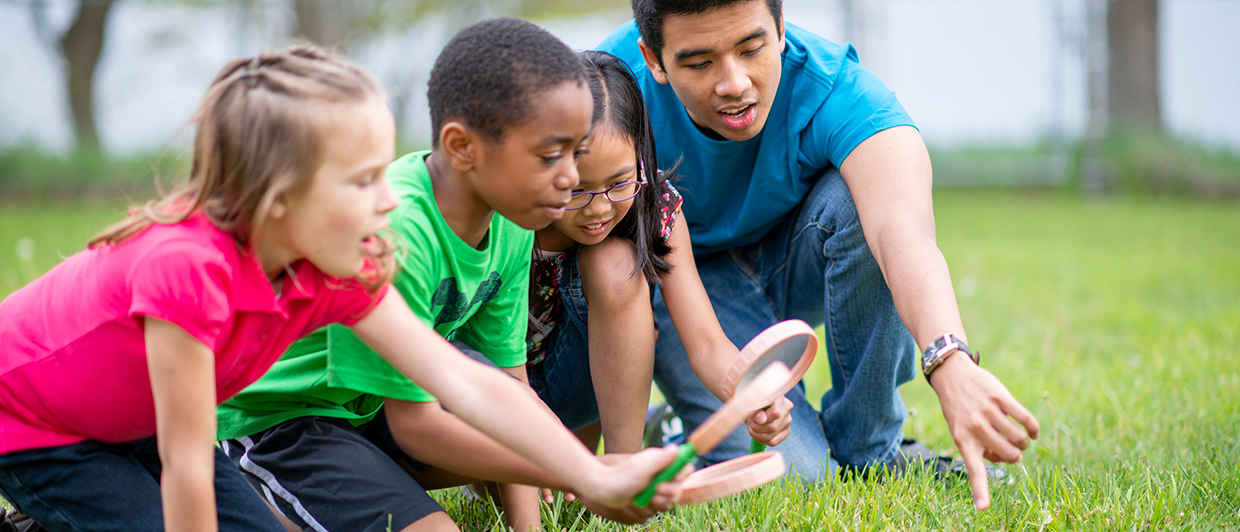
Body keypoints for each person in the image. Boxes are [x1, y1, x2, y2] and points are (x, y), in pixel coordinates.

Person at [0, 43, 680, 532]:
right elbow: (185, 460)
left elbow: (464, 381)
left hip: (143, 422)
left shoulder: (336, 264)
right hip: (35, 425)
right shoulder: (189, 271)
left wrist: (589, 475)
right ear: (281, 200)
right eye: (362, 182)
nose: (388, 200)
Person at [215, 21, 679, 532]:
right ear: (463, 148)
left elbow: (509, 388)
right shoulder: (399, 233)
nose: (570, 179)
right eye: (551, 156)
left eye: (574, 153)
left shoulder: (513, 217)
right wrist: (582, 472)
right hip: (287, 422)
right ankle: (263, 496)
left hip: (374, 409)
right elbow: (418, 427)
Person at [597, 0, 1041, 509]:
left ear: (781, 28)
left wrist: (950, 361)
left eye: (752, 48)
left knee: (865, 198)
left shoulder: (838, 91)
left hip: (794, 260)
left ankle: (871, 449)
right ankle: (679, 431)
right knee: (799, 478)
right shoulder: (605, 94)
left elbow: (905, 236)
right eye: (700, 63)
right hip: (686, 289)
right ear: (653, 59)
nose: (735, 82)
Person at [524, 50, 792, 456]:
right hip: (500, 393)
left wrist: (749, 392)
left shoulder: (655, 208)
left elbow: (706, 343)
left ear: (641, 158)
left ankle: (625, 463)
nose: (598, 209)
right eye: (576, 190)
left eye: (619, 182)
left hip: (577, 388)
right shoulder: (510, 216)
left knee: (614, 262)